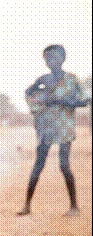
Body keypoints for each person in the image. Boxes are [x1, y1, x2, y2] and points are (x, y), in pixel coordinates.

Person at [18, 44, 90, 217]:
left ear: (63, 58)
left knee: (64, 166)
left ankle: (74, 207)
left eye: (54, 57)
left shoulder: (72, 79)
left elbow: (83, 100)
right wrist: (39, 104)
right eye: (47, 58)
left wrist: (65, 101)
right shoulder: (43, 79)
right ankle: (26, 206)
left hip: (65, 127)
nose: (51, 61)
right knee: (38, 165)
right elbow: (28, 93)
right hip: (46, 127)